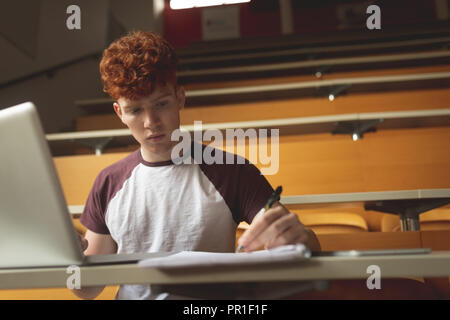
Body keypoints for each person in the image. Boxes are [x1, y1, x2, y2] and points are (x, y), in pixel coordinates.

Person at [73, 31, 320, 300]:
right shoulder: (108, 182)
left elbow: (303, 247)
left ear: (180, 98)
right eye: (135, 110)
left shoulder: (232, 171)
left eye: (161, 104)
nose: (150, 121)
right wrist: (70, 259)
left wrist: (299, 238)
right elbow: (88, 288)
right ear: (119, 113)